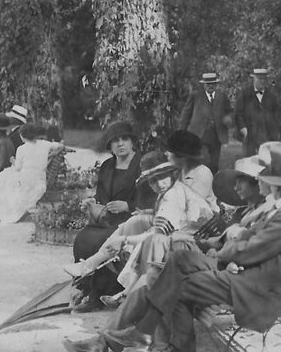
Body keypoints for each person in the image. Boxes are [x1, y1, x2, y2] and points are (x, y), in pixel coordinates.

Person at [69, 141, 281, 352]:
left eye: (261, 177)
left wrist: (224, 248)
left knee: (169, 282)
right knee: (175, 261)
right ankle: (119, 338)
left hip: (257, 289)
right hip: (246, 274)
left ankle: (156, 346)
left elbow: (246, 251)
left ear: (274, 182)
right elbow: (244, 242)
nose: (259, 180)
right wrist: (220, 242)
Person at [70, 130, 220, 310]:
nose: (167, 155)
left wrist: (127, 239)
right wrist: (147, 213)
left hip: (197, 233)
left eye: (171, 153)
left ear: (182, 157)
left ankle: (125, 292)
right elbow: (172, 209)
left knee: (147, 239)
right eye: (153, 181)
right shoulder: (175, 176)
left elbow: (184, 216)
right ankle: (91, 263)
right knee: (134, 222)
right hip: (179, 223)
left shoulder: (200, 175)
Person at [68, 119, 143, 305]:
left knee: (101, 240)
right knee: (83, 238)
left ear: (132, 142)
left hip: (132, 220)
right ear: (109, 145)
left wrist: (128, 206)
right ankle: (84, 286)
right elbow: (101, 197)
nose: (120, 144)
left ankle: (98, 293)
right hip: (108, 219)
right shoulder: (108, 165)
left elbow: (151, 198)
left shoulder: (141, 165)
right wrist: (93, 203)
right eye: (115, 140)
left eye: (124, 139)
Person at [0, 121, 62, 224]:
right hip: (39, 180)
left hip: (26, 180)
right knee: (5, 176)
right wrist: (53, 154)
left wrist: (13, 161)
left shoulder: (21, 148)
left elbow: (18, 167)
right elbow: (60, 146)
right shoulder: (45, 144)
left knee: (3, 177)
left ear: (22, 136)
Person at [234, 67, 281, 157]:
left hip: (267, 134)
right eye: (259, 78)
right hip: (249, 134)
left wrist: (276, 131)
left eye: (264, 79)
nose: (262, 81)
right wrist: (243, 128)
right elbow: (238, 113)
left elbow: (276, 115)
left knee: (266, 159)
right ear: (254, 79)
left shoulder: (271, 96)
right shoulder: (245, 94)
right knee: (249, 160)